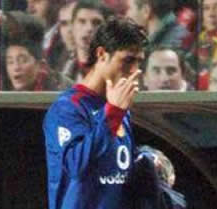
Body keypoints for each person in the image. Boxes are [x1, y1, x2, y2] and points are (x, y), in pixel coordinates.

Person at [43, 17, 164, 209]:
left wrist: (146, 159)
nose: (135, 70)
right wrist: (113, 113)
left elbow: (116, 169)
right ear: (101, 54)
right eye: (128, 60)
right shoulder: (68, 108)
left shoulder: (119, 108)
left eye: (139, 62)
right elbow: (76, 166)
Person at [2, 11, 72, 91]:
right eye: (10, 62)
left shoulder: (63, 91)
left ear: (42, 65)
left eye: (23, 60)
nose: (16, 68)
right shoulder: (6, 91)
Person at [61, 1, 113, 83]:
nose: (88, 28)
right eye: (82, 21)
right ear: (72, 27)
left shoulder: (117, 68)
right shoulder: (61, 68)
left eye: (96, 23)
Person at [125, 0, 192, 50]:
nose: (126, 15)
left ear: (146, 11)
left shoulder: (171, 46)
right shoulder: (177, 36)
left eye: (130, 8)